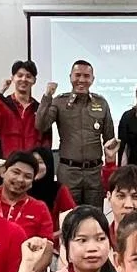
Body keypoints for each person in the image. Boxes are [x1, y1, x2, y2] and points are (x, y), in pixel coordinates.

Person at [37, 59, 114, 209]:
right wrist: (47, 96)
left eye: (86, 76)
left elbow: (109, 140)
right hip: (69, 171)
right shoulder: (59, 102)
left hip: (94, 173)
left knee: (94, 215)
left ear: (92, 79)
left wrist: (110, 170)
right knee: (69, 216)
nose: (81, 80)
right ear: (70, 77)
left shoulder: (101, 103)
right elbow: (41, 125)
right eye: (77, 75)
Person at [0, 60, 51, 159]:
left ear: (34, 80)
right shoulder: (4, 104)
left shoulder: (39, 109)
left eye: (28, 76)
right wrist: (1, 91)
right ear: (13, 78)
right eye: (20, 75)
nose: (24, 79)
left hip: (31, 163)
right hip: (7, 162)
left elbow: (46, 139)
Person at [0, 150, 55, 240]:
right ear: (3, 172)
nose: (20, 179)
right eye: (16, 172)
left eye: (27, 176)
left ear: (32, 182)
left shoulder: (39, 208)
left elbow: (47, 243)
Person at [105, 164, 137, 233]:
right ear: (109, 198)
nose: (128, 205)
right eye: (121, 196)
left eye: (136, 197)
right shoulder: (99, 239)